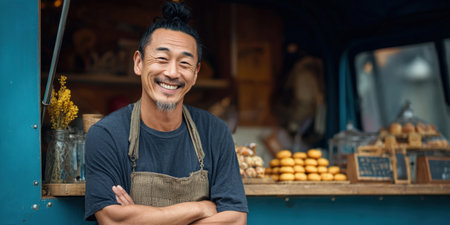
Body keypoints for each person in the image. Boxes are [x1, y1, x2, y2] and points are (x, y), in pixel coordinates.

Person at [84, 2, 248, 224]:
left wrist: (143, 218)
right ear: (139, 62)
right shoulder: (106, 135)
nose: (172, 73)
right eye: (161, 59)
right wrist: (200, 208)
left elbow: (235, 220)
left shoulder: (215, 132)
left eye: (184, 63)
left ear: (196, 72)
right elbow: (115, 221)